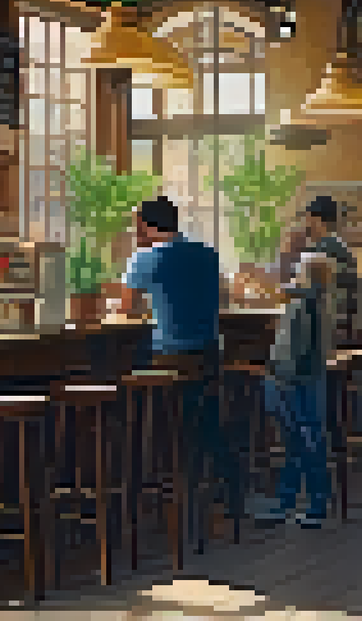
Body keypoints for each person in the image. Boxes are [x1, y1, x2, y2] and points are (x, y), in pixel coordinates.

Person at [121, 196, 237, 546]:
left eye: (136, 224)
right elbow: (223, 298)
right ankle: (220, 491)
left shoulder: (145, 258)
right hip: (209, 357)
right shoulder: (207, 254)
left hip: (168, 362)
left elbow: (128, 308)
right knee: (204, 421)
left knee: (144, 412)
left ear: (144, 225)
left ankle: (142, 490)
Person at [259, 240, 336, 529]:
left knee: (299, 441)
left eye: (299, 270)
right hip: (312, 377)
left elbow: (291, 349)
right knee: (308, 439)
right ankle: (305, 501)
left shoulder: (299, 307)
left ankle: (297, 502)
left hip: (292, 380)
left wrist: (275, 375)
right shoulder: (322, 304)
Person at [301, 196, 359, 346]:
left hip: (326, 324)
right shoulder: (340, 247)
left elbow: (311, 288)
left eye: (308, 218)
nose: (305, 224)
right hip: (339, 322)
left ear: (317, 220)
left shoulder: (323, 249)